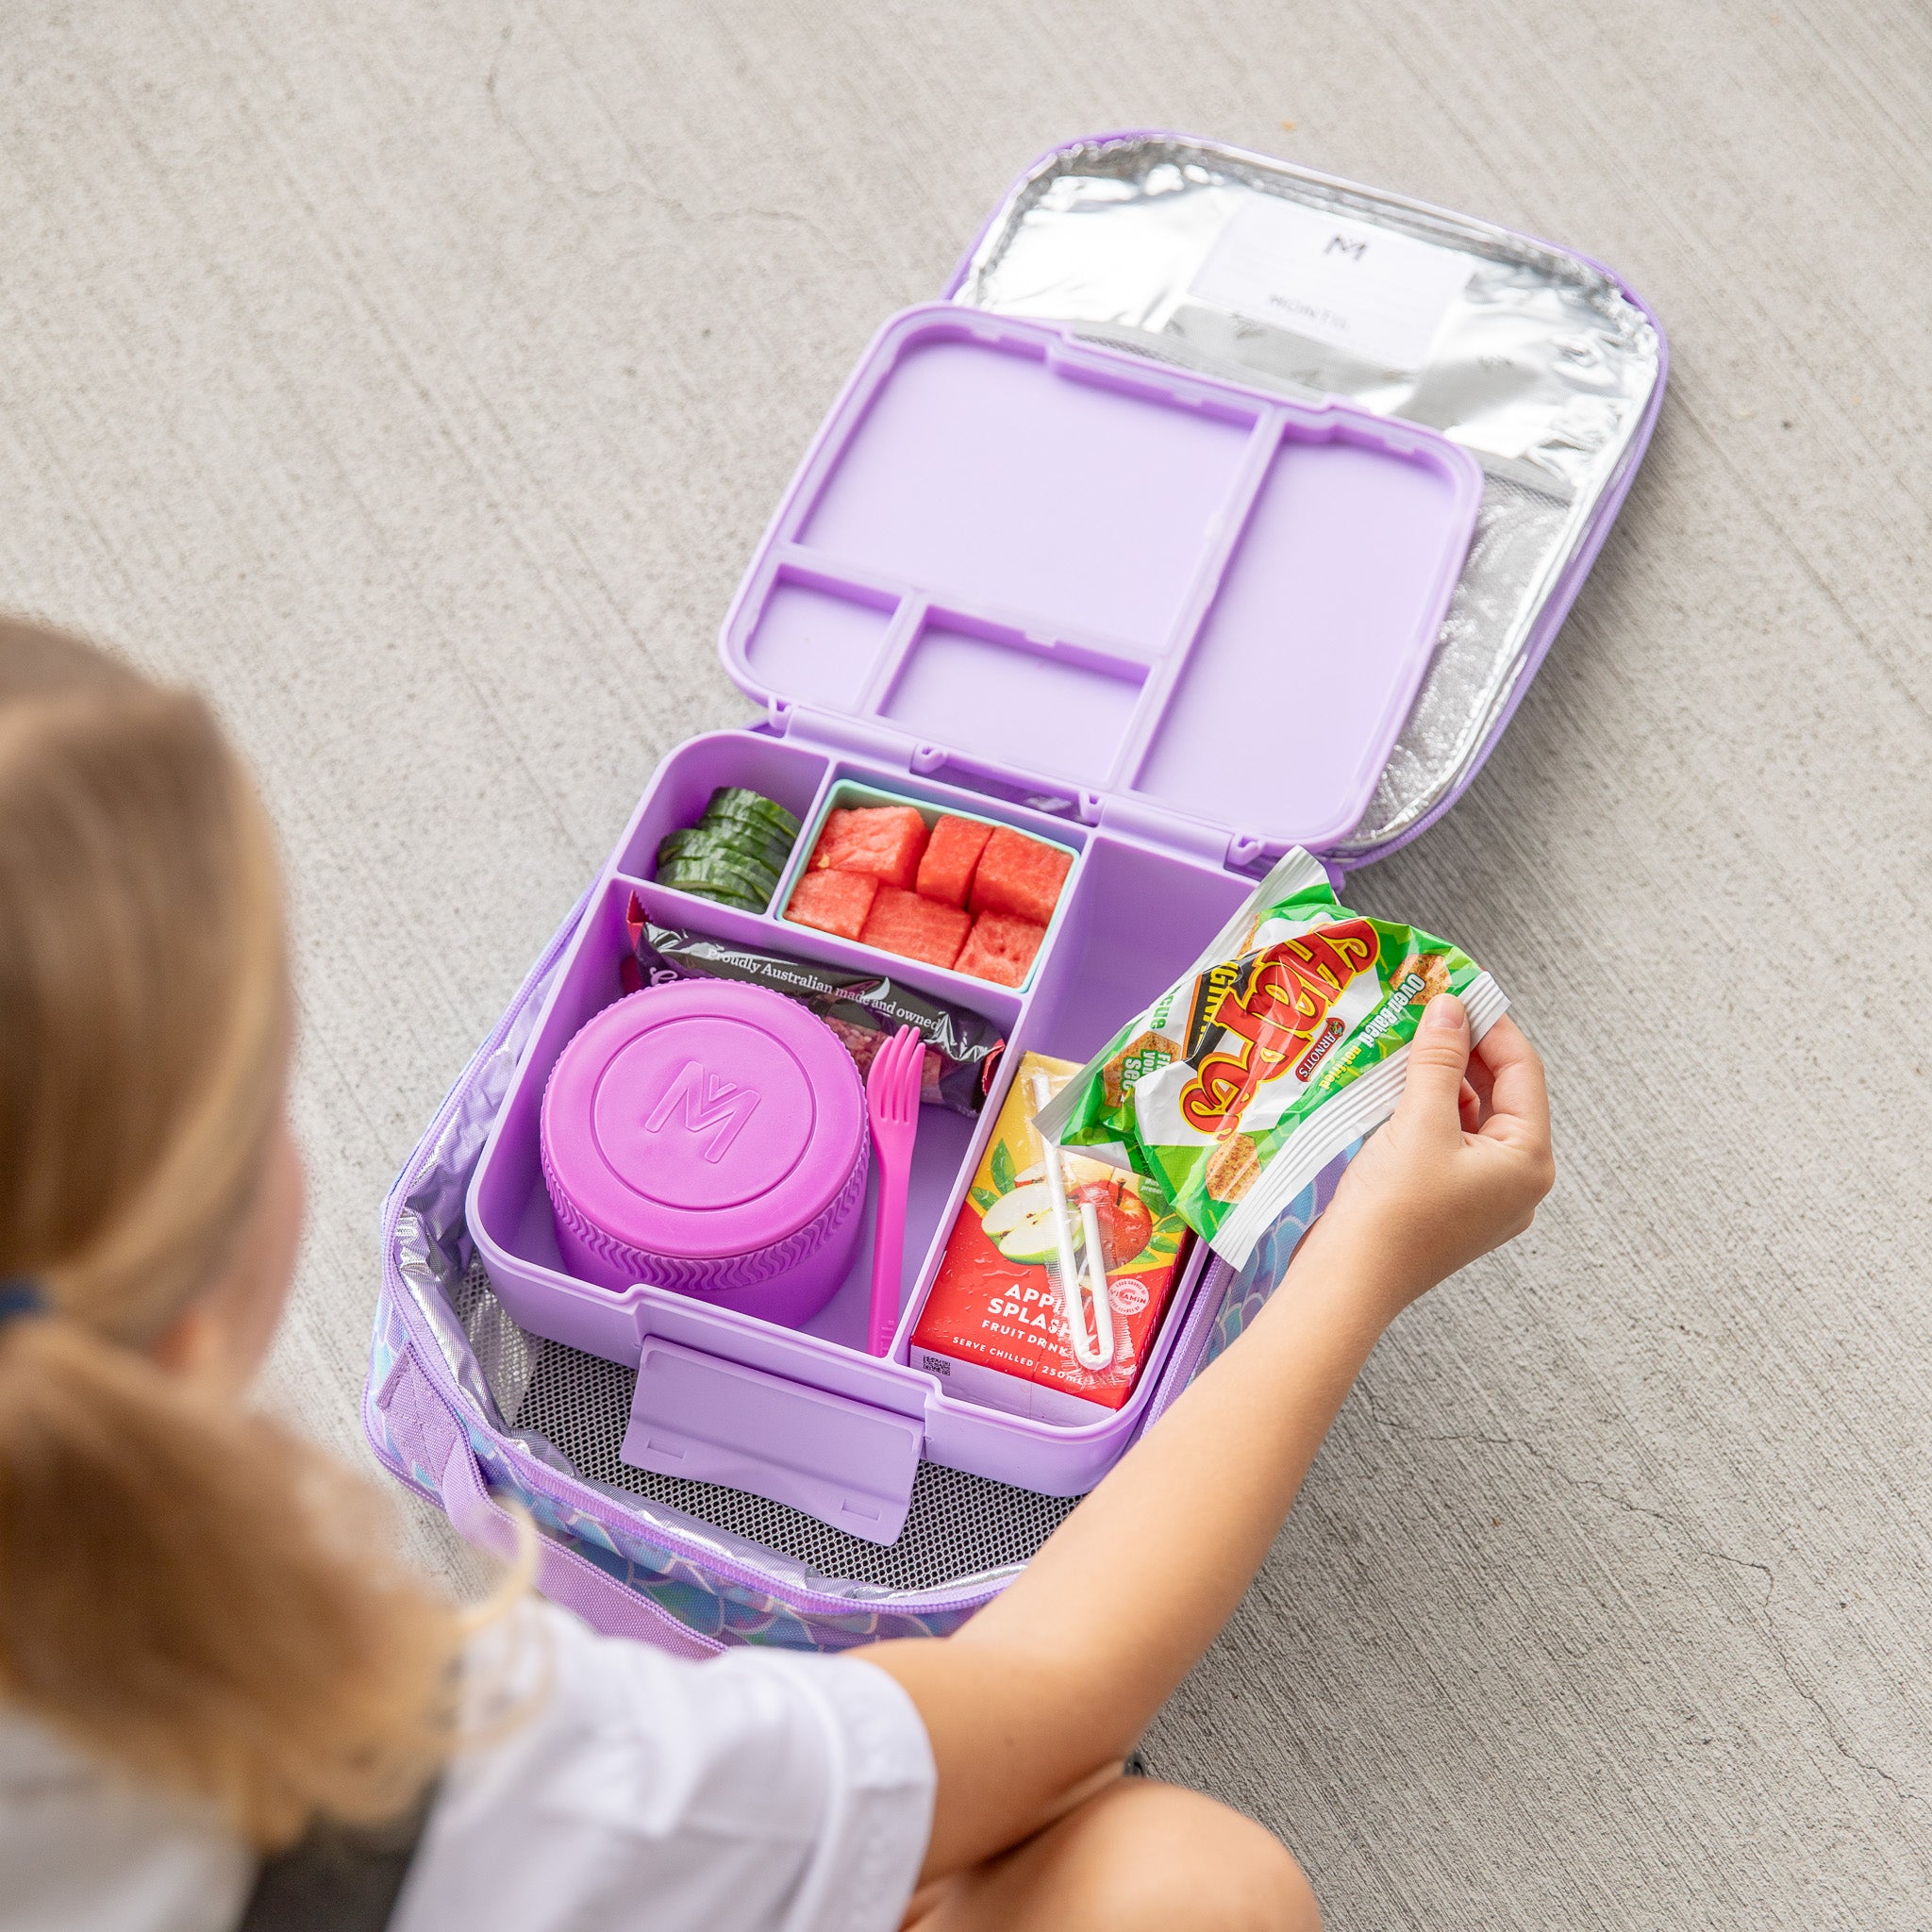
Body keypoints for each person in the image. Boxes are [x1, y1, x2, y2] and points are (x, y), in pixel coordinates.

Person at [0, 618, 1553, 1932]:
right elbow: (1050, 1699)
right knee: (1192, 1889)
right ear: (196, 1286)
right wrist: (1361, 1259)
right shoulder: (443, 1772)